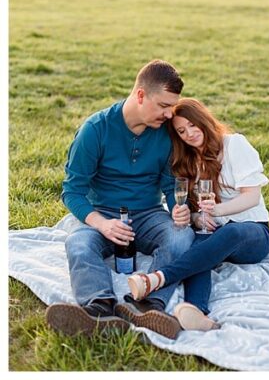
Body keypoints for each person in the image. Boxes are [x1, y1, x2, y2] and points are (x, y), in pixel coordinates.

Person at [46, 60, 194, 339]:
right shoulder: (96, 129)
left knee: (182, 237)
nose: (168, 114)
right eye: (163, 106)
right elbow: (73, 190)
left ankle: (148, 305)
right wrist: (102, 224)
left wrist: (177, 210)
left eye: (171, 107)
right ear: (140, 95)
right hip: (102, 212)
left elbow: (168, 182)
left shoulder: (165, 133)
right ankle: (99, 309)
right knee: (78, 242)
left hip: (148, 213)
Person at [124, 98, 269, 334]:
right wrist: (192, 217)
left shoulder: (234, 145)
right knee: (200, 247)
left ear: (203, 120)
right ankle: (197, 313)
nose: (189, 134)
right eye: (182, 131)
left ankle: (157, 278)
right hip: (214, 234)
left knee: (229, 232)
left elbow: (251, 197)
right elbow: (194, 211)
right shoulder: (188, 161)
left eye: (193, 125)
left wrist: (218, 210)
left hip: (251, 233)